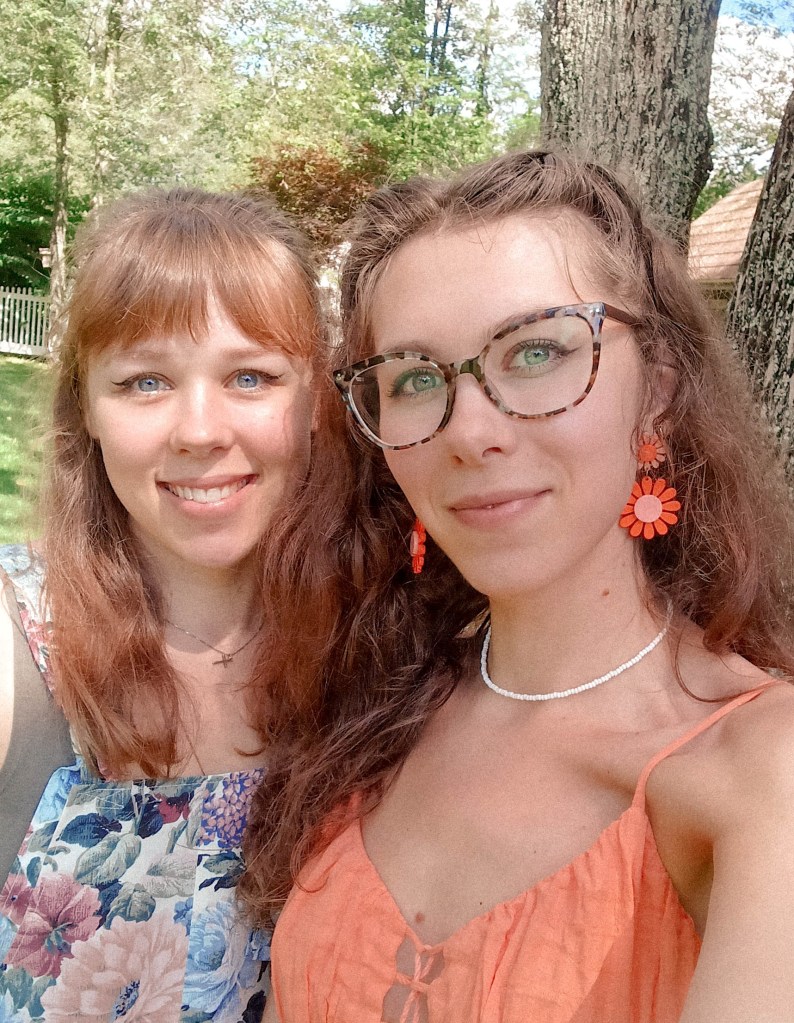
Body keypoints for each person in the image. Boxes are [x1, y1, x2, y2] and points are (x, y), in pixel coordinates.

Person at [241, 150, 794, 1023]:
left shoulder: (761, 768)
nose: (471, 431)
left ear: (657, 389)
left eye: (535, 350)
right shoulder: (373, 711)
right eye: (415, 377)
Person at [0, 187, 323, 1023]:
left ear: (317, 399)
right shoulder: (16, 645)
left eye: (251, 376)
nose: (200, 430)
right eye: (146, 381)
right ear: (87, 408)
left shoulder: (372, 658)